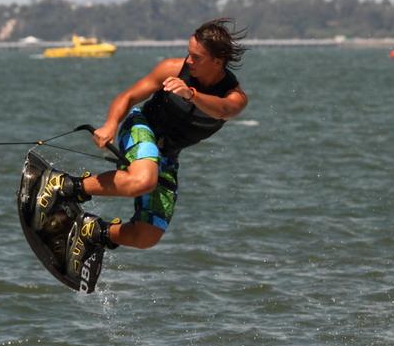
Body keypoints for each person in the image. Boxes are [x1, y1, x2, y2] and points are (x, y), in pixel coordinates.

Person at [33, 18, 249, 277]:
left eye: (196, 57)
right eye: (188, 53)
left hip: (166, 154)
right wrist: (110, 125)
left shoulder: (234, 97)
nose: (189, 61)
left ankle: (92, 231)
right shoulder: (172, 68)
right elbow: (128, 96)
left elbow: (223, 110)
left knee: (147, 236)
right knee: (144, 180)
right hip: (141, 126)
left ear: (217, 61)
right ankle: (63, 186)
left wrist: (190, 93)